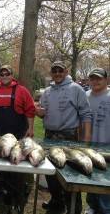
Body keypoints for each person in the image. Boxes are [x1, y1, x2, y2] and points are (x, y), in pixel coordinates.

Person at [36, 60, 92, 214]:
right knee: (51, 172)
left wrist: (86, 140)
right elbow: (42, 112)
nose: (57, 73)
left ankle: (74, 207)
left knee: (71, 174)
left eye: (60, 70)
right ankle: (56, 202)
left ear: (66, 72)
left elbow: (86, 115)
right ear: (51, 73)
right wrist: (39, 114)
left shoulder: (76, 89)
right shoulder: (46, 92)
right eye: (54, 71)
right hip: (50, 136)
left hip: (69, 137)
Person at [0, 65, 35, 211]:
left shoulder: (22, 90)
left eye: (7, 73)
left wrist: (30, 128)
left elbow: (30, 110)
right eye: (2, 73)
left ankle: (19, 193)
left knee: (17, 166)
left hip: (17, 135)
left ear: (12, 75)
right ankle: (5, 188)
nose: (4, 75)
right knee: (1, 163)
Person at [85, 68, 110, 214]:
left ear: (106, 80)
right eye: (92, 78)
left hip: (107, 147)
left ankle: (106, 209)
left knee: (106, 181)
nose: (95, 81)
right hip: (89, 146)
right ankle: (92, 206)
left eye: (98, 78)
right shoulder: (85, 95)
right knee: (90, 176)